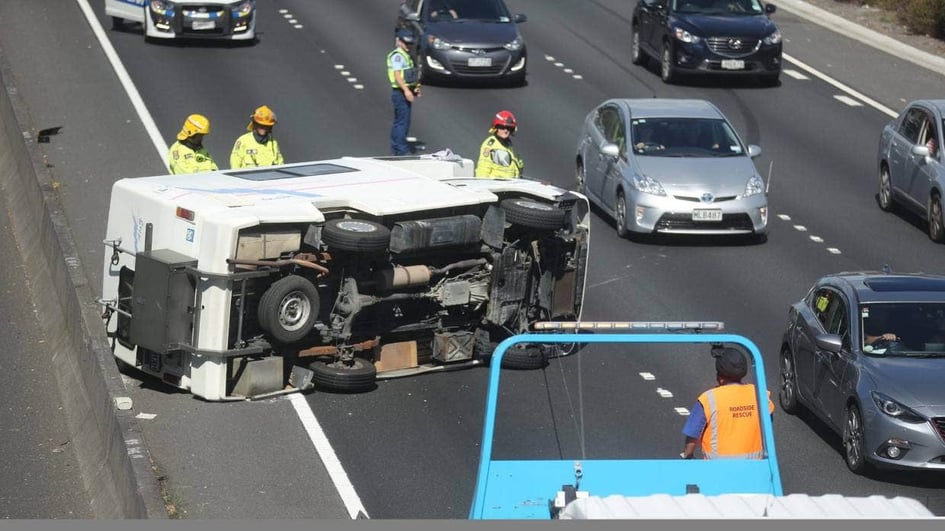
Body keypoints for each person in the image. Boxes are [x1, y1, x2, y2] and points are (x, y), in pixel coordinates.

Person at [680, 347, 775, 460]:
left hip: (718, 471)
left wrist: (687, 455)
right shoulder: (760, 395)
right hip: (753, 468)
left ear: (720, 378)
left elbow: (693, 434)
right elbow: (767, 426)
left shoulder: (708, 399)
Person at [388, 28, 421, 156]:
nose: (409, 46)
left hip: (404, 91)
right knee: (403, 122)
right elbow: (397, 75)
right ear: (399, 42)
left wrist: (415, 88)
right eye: (406, 43)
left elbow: (409, 74)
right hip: (400, 92)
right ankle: (401, 150)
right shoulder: (398, 56)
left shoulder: (405, 55)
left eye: (410, 44)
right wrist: (407, 91)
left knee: (399, 121)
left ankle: (396, 147)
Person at [230, 105, 284, 169]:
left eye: (266, 126)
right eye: (260, 125)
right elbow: (235, 164)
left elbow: (280, 164)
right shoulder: (242, 141)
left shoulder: (273, 143)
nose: (263, 128)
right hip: (248, 178)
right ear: (255, 124)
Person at [475, 110, 525, 179]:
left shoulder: (508, 145)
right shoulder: (490, 145)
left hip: (509, 185)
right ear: (496, 128)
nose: (506, 130)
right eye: (502, 127)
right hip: (496, 188)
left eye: (509, 128)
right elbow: (482, 171)